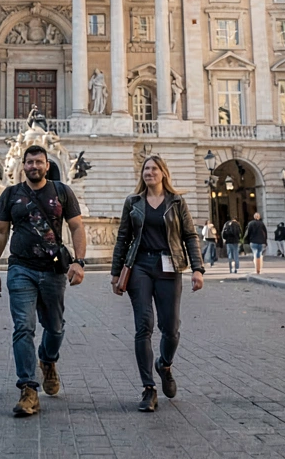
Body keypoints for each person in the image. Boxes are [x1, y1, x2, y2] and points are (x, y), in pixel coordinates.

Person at [0, 145, 87, 418]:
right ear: (23, 165)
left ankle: (48, 359)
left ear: (46, 165)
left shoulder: (62, 191)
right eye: (29, 162)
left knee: (55, 328)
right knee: (23, 327)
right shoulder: (10, 194)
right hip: (20, 268)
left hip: (54, 269)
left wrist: (79, 261)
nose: (34, 166)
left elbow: (77, 226)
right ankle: (28, 388)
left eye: (38, 162)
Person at [109, 156, 205, 413]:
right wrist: (115, 272)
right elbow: (122, 238)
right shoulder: (133, 202)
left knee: (170, 327)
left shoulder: (177, 202)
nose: (149, 172)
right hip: (139, 266)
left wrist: (197, 269)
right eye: (146, 169)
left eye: (154, 169)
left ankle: (164, 364)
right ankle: (148, 388)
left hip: (169, 266)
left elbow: (189, 235)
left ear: (164, 173)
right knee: (144, 326)